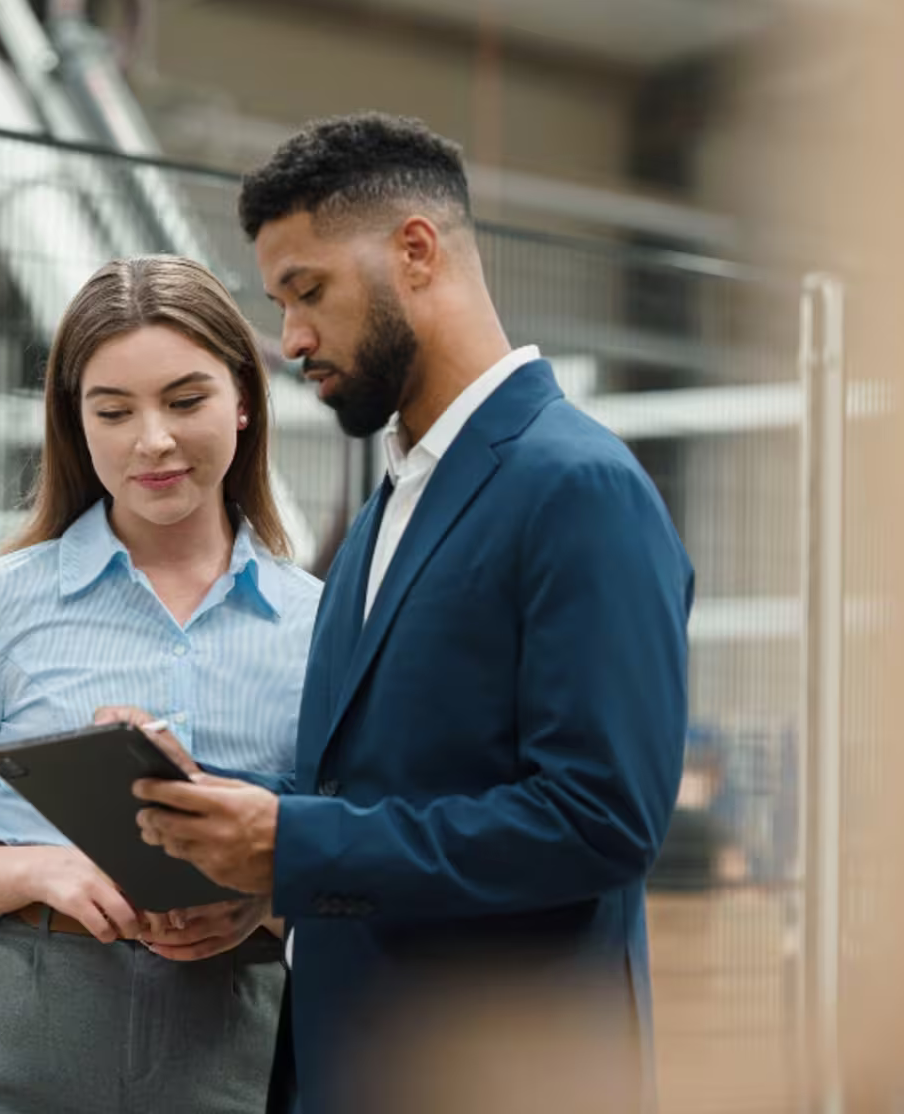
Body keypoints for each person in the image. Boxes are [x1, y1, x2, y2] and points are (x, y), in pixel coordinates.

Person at [127, 114, 695, 1113]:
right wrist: (241, 843)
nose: (292, 336)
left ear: (416, 251)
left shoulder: (579, 487)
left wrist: (295, 843)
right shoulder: (393, 502)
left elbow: (600, 819)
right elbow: (386, 783)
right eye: (281, 301)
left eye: (309, 290)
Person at [0, 256, 322, 1114]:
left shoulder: (320, 627)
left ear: (245, 401)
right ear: (76, 424)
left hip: (230, 1033)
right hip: (20, 1024)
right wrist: (43, 869)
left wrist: (261, 897)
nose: (152, 439)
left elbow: (352, 858)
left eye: (186, 401)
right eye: (113, 410)